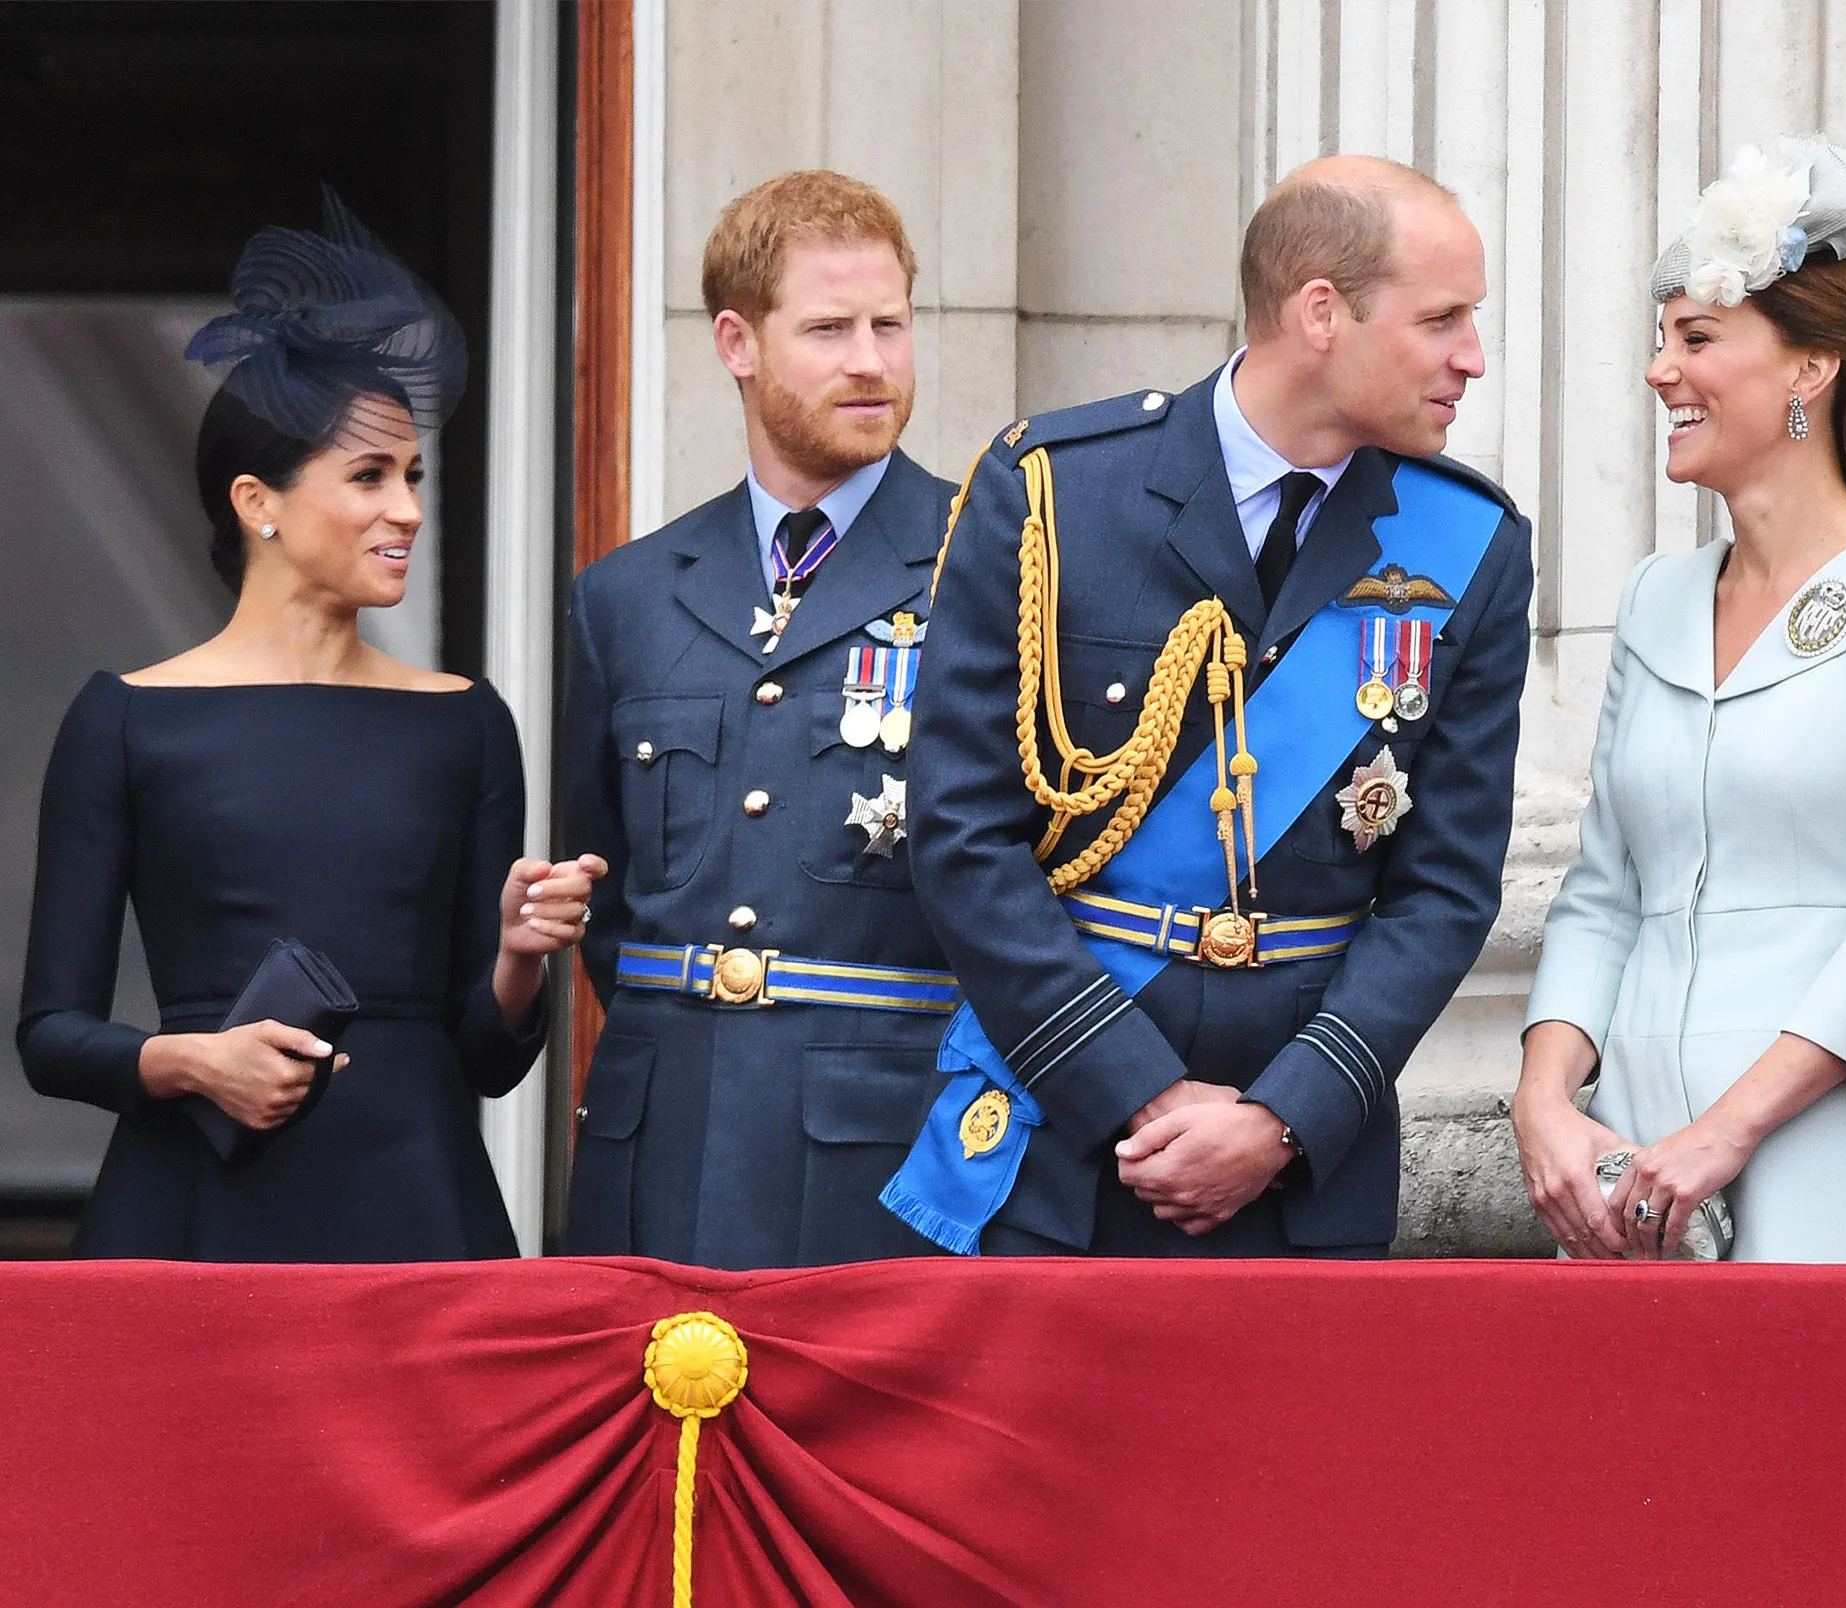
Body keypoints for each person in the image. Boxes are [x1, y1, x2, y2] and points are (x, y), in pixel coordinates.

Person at [887, 155, 1533, 1258]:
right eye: (1442, 320)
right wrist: (1133, 1091)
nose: (1471, 357)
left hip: (1302, 1173)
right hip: (1066, 1139)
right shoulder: (1053, 491)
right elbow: (960, 833)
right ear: (1320, 311)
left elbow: (1445, 888)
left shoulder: (1468, 542)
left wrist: (1281, 1118)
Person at [15, 195, 604, 1261]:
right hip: (192, 1213)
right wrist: (195, 1062)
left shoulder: (465, 723)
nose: (409, 511)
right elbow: (52, 1038)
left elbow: (482, 1054)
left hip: (414, 1212)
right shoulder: (126, 718)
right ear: (258, 503)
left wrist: (520, 957)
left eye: (414, 477)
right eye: (370, 477)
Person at [1514, 139, 1846, 1263]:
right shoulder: (1652, 598)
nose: (1657, 374)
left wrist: (1723, 1134)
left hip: (1821, 1146)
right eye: (1657, 343)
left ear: (1805, 371)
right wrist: (1544, 1105)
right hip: (1625, 1163)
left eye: (1693, 340)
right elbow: (1600, 893)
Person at [564, 170, 957, 1268]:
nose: (871, 360)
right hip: (661, 1135)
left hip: (887, 1149)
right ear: (737, 343)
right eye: (828, 329)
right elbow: (608, 902)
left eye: (890, 323)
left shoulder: (996, 567)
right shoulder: (627, 596)